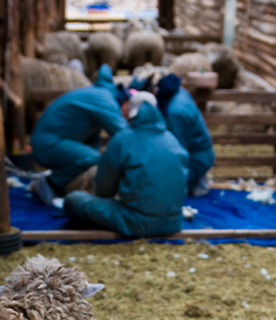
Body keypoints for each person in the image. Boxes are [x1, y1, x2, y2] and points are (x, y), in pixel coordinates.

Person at [64, 91, 189, 238]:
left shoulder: (122, 139)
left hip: (134, 222)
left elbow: (104, 189)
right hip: (172, 223)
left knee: (74, 200)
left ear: (131, 112)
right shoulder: (172, 140)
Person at [30, 64, 128, 199]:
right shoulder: (104, 99)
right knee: (93, 158)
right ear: (124, 101)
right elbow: (124, 135)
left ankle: (63, 185)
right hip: (48, 145)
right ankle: (50, 184)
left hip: (50, 141)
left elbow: (93, 139)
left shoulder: (96, 94)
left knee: (94, 157)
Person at [155, 74, 215, 197]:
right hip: (203, 152)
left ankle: (194, 183)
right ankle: (197, 180)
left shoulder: (174, 112)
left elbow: (177, 149)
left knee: (166, 188)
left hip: (196, 158)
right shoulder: (179, 91)